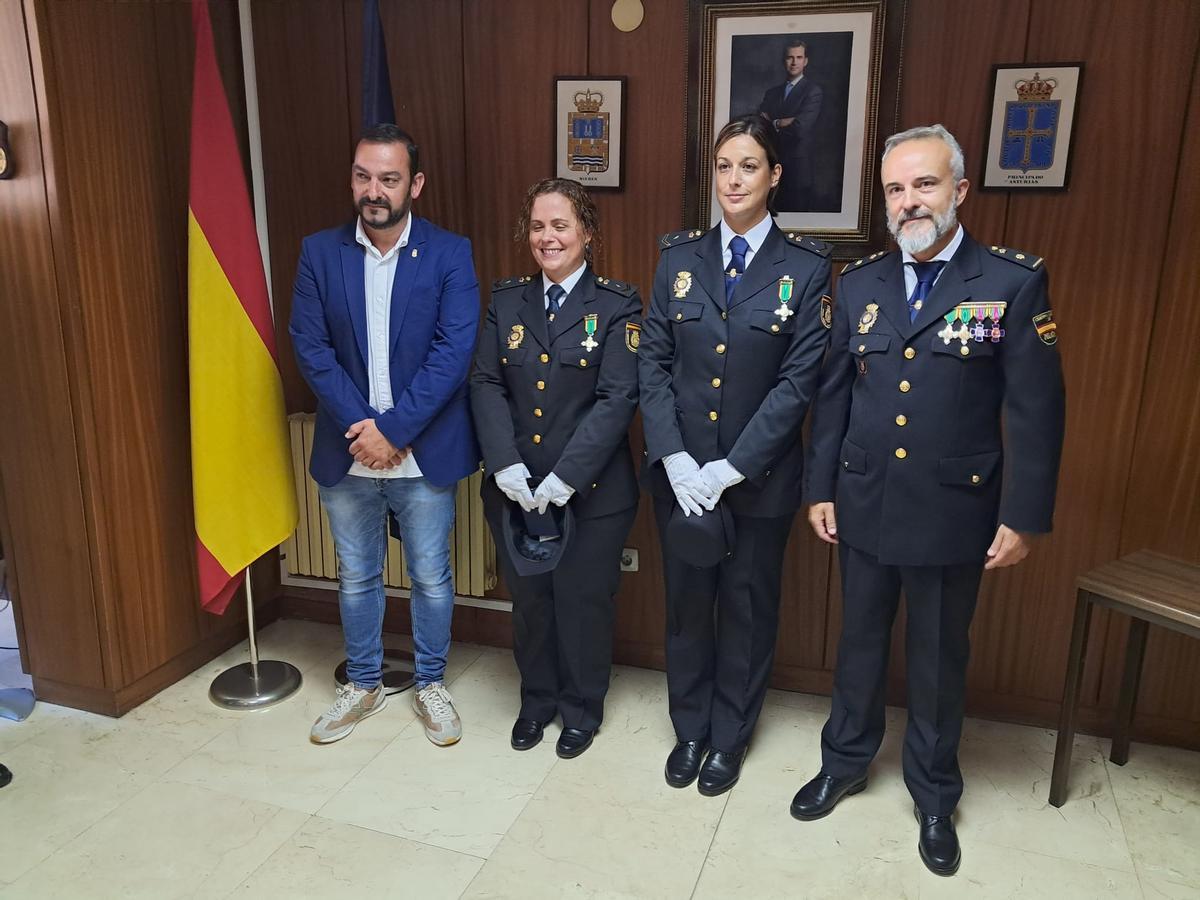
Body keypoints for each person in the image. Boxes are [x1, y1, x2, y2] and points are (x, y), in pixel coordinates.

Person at [792, 124, 1066, 876]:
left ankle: (936, 793)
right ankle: (844, 761)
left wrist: (1023, 513)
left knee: (940, 658)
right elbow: (833, 398)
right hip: (865, 501)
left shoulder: (1009, 280)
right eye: (895, 189)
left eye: (924, 184)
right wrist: (820, 488)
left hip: (954, 510)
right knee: (858, 646)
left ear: (959, 191)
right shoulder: (861, 285)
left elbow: (1037, 409)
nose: (910, 201)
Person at [640, 115, 833, 796]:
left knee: (747, 613)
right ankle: (689, 729)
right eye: (724, 165)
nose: (733, 179)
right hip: (682, 482)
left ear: (774, 177)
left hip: (757, 484)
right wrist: (674, 459)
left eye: (748, 166)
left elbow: (797, 382)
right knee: (688, 608)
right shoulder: (678, 259)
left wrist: (731, 467)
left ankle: (728, 739)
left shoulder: (806, 269)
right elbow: (654, 365)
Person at [290, 124, 481, 747]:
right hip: (349, 454)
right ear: (352, 178)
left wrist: (394, 431)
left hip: (421, 452)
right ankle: (364, 682)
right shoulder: (319, 252)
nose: (374, 190)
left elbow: (453, 354)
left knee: (429, 574)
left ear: (415, 185)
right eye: (364, 176)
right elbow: (311, 348)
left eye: (389, 179)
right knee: (357, 575)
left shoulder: (451, 253)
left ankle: (429, 682)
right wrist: (363, 432)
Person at [470, 178, 641, 759]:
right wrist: (505, 465)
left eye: (560, 225)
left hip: (592, 493)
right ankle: (536, 701)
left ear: (586, 233)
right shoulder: (508, 301)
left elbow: (618, 397)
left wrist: (567, 475)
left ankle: (580, 708)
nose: (548, 238)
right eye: (539, 226)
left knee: (582, 601)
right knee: (532, 602)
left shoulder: (617, 306)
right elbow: (487, 381)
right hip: (516, 490)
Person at [758, 38, 823, 212]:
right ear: (784, 61)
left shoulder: (813, 91)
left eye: (799, 57)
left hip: (797, 169)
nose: (794, 62)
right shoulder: (772, 93)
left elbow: (801, 127)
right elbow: (759, 126)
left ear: (805, 61)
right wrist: (785, 122)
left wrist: (774, 122)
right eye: (790, 57)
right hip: (771, 167)